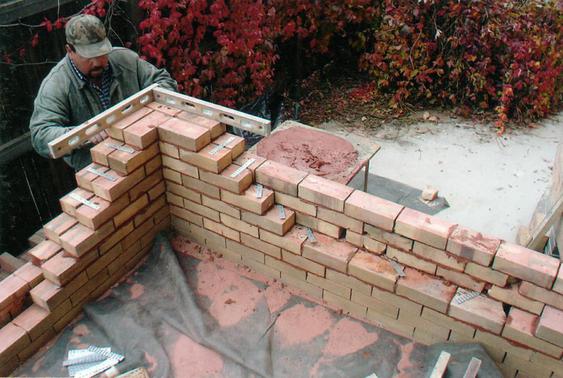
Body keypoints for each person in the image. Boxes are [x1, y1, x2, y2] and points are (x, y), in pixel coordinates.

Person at [29, 14, 177, 170]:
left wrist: (143, 115)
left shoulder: (125, 59)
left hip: (143, 152)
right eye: (89, 56)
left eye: (101, 53)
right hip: (98, 169)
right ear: (69, 50)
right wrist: (83, 134)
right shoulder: (56, 85)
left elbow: (164, 82)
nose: (98, 62)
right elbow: (40, 135)